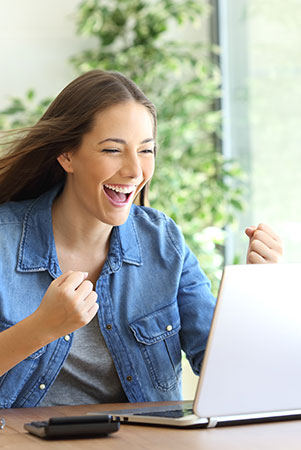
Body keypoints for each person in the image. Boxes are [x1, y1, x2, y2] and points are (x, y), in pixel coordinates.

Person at [0, 70, 283, 408]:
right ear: (67, 155)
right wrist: (41, 328)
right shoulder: (5, 240)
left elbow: (225, 370)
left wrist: (257, 295)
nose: (135, 170)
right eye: (112, 150)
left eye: (146, 151)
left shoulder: (164, 243)